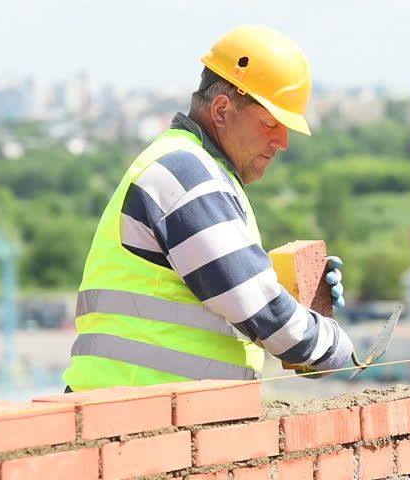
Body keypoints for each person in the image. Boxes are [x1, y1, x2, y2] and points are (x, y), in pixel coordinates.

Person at [61, 25, 354, 392]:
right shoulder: (186, 173)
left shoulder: (197, 169)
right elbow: (257, 307)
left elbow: (230, 299)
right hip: (131, 415)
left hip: (144, 412)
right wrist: (331, 344)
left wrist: (298, 299)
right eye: (270, 124)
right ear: (221, 109)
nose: (282, 142)